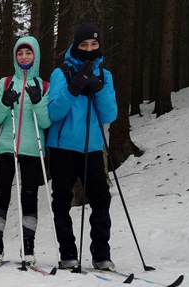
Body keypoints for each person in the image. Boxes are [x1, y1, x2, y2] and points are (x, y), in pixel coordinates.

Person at [46, 24, 118, 271]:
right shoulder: (61, 72)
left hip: (92, 147)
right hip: (62, 146)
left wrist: (97, 88)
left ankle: (101, 253)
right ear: (76, 46)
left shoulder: (105, 75)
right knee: (62, 199)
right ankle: (68, 252)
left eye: (94, 44)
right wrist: (73, 88)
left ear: (99, 46)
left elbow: (110, 114)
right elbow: (54, 112)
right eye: (84, 45)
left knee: (101, 198)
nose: (89, 49)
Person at [0, 36, 51, 266]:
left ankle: (28, 246)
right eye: (20, 53)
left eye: (28, 53)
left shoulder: (44, 86)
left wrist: (38, 101)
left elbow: (46, 122)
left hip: (33, 149)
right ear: (15, 56)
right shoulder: (5, 83)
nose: (24, 57)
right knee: (2, 197)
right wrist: (5, 103)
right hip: (6, 147)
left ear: (36, 55)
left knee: (29, 197)